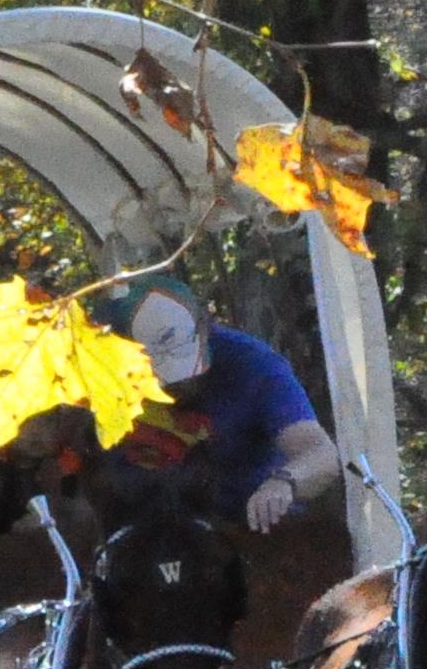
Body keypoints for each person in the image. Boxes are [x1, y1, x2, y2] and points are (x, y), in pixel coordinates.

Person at [98, 211, 342, 534]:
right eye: (160, 380)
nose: (175, 387)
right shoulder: (101, 370)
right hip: (141, 532)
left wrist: (284, 483)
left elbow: (322, 454)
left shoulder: (255, 366)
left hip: (246, 528)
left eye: (184, 371)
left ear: (204, 334)